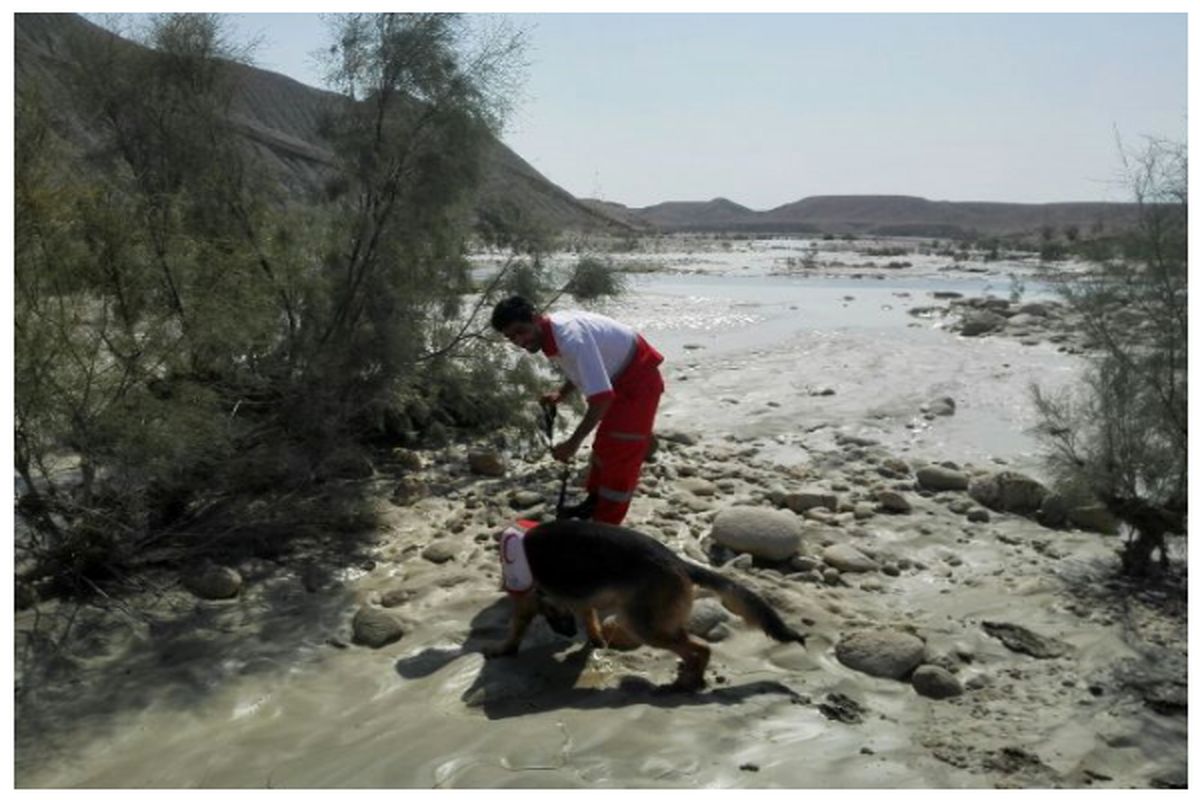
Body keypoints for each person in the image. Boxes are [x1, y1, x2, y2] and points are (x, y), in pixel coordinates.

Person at [491, 295, 664, 526]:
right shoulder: (549, 332)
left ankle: (606, 526)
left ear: (534, 318)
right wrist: (561, 394)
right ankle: (593, 504)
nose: (519, 341)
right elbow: (580, 367)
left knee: (620, 455)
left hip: (639, 382)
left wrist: (572, 443)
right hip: (617, 378)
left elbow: (601, 399)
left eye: (520, 331)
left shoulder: (570, 338)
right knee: (603, 446)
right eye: (511, 337)